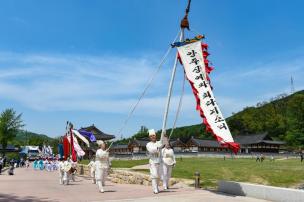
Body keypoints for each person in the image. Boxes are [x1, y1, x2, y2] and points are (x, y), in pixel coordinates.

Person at [146, 129, 163, 194]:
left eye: (154, 135)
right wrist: (158, 147)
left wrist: (164, 136)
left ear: (155, 136)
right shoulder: (148, 144)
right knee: (154, 175)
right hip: (153, 161)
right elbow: (152, 150)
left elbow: (163, 144)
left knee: (158, 176)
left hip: (159, 161)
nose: (153, 137)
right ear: (149, 137)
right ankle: (155, 189)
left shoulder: (159, 142)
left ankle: (157, 187)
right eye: (151, 136)